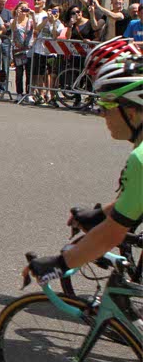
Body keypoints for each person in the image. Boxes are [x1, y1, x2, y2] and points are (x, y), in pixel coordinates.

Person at [25, 50, 143, 288]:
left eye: (107, 104)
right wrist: (100, 215)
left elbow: (112, 234)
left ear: (131, 112)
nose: (101, 113)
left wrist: (58, 263)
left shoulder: (140, 160)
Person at [31, 0, 64, 105]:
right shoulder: (44, 19)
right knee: (40, 73)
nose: (54, 13)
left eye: (56, 11)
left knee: (49, 74)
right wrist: (47, 20)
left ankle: (50, 95)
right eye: (52, 10)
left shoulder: (59, 24)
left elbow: (55, 35)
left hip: (50, 52)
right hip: (39, 50)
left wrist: (54, 22)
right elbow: (37, 29)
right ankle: (41, 94)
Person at [10, 2, 34, 100]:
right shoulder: (14, 20)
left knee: (29, 72)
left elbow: (36, 29)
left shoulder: (31, 21)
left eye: (25, 8)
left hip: (28, 49)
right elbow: (13, 28)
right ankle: (19, 93)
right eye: (21, 8)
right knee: (19, 72)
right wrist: (16, 16)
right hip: (18, 50)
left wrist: (33, 15)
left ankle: (29, 93)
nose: (23, 10)